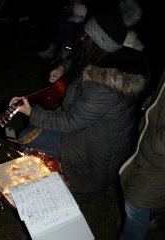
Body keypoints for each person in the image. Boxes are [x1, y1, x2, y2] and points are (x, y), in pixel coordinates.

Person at [8, 1, 150, 194]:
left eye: (86, 36)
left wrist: (32, 112)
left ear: (99, 42)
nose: (82, 38)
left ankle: (63, 173)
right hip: (87, 136)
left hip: (92, 157)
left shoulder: (106, 85)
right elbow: (80, 60)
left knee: (25, 136)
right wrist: (62, 68)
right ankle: (55, 164)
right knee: (35, 132)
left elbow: (71, 122)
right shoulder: (111, 58)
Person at [118, 69, 165, 240]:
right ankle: (150, 218)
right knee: (144, 200)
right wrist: (150, 104)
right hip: (150, 150)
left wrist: (151, 141)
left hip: (158, 159)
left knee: (135, 205)